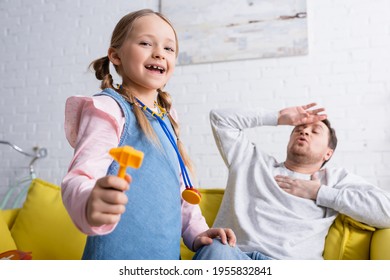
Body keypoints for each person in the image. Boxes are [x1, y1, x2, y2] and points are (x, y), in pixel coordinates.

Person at [61, 9, 235, 260]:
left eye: (169, 49)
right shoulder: (109, 109)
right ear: (115, 55)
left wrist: (198, 233)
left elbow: (181, 191)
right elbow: (80, 177)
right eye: (145, 43)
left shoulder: (167, 116)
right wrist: (90, 203)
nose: (159, 54)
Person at [193, 102, 390, 260]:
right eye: (300, 129)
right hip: (233, 256)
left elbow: (386, 210)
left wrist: (318, 193)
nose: (304, 132)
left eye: (315, 131)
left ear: (328, 153)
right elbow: (220, 118)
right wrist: (278, 117)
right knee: (214, 249)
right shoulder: (251, 161)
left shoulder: (333, 180)